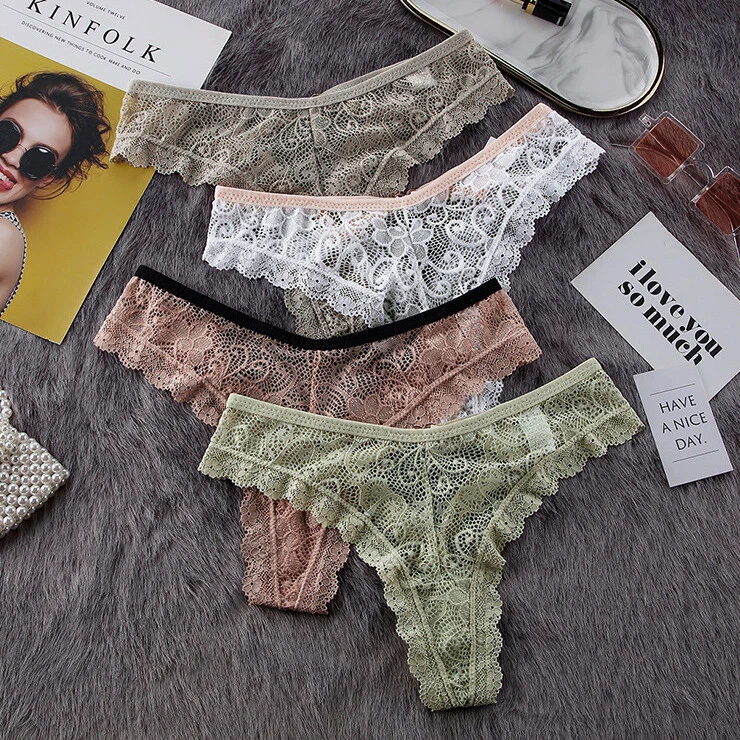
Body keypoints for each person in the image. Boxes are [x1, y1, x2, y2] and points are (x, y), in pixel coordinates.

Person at [0, 72, 110, 314]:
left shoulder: (3, 236)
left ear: (48, 178)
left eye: (39, 158)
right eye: (7, 134)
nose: (13, 159)